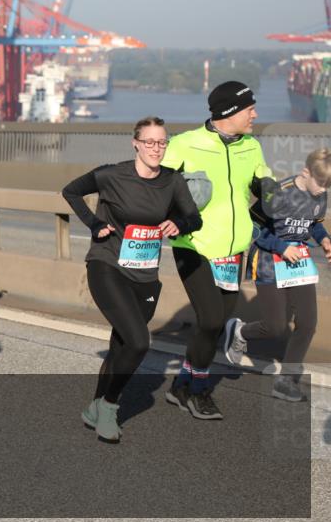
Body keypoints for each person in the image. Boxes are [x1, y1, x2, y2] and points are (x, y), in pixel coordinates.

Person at [62, 117, 202, 442]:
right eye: (150, 142)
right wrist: (94, 223)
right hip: (107, 265)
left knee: (120, 346)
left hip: (145, 276)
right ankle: (110, 407)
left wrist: (180, 224)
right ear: (136, 143)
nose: (156, 148)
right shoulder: (113, 174)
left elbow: (194, 217)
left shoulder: (172, 181)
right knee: (139, 341)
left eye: (162, 142)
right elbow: (71, 191)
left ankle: (94, 406)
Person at [160, 80, 271, 420]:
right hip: (194, 246)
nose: (255, 113)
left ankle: (181, 385)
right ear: (229, 112)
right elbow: (155, 188)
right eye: (249, 108)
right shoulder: (184, 145)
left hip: (233, 251)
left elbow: (265, 189)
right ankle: (198, 391)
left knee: (217, 322)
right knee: (209, 320)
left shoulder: (251, 146)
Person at [224, 148, 331, 401]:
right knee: (275, 328)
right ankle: (239, 332)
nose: (324, 190)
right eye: (321, 183)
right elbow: (250, 226)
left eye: (329, 185)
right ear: (306, 172)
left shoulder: (320, 194)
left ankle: (286, 381)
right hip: (269, 262)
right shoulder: (278, 193)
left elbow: (313, 224)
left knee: (307, 324)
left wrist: (325, 239)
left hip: (299, 263)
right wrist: (281, 247)